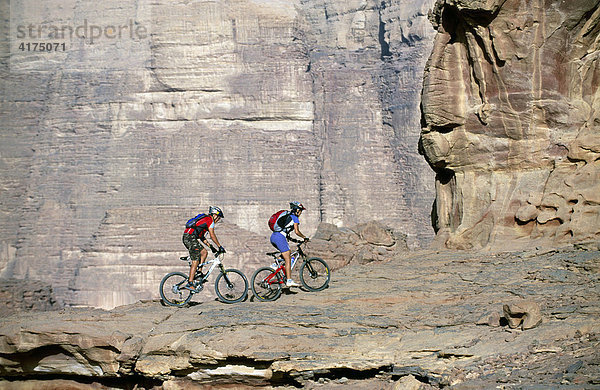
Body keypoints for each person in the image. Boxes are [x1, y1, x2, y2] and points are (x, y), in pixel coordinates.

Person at [182, 206, 225, 291]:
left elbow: (202, 237)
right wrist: (220, 247)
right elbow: (212, 235)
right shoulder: (210, 220)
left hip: (189, 237)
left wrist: (211, 247)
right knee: (196, 259)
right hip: (190, 237)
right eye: (219, 218)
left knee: (204, 252)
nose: (218, 220)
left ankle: (199, 273)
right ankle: (190, 283)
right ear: (215, 215)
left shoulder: (205, 221)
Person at [270, 201, 309, 288]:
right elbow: (297, 231)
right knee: (288, 259)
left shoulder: (287, 217)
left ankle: (275, 265)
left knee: (287, 253)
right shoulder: (294, 218)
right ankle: (289, 281)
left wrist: (294, 240)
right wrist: (304, 237)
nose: (301, 213)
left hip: (274, 237)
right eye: (300, 211)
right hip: (279, 237)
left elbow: (286, 233)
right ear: (297, 210)